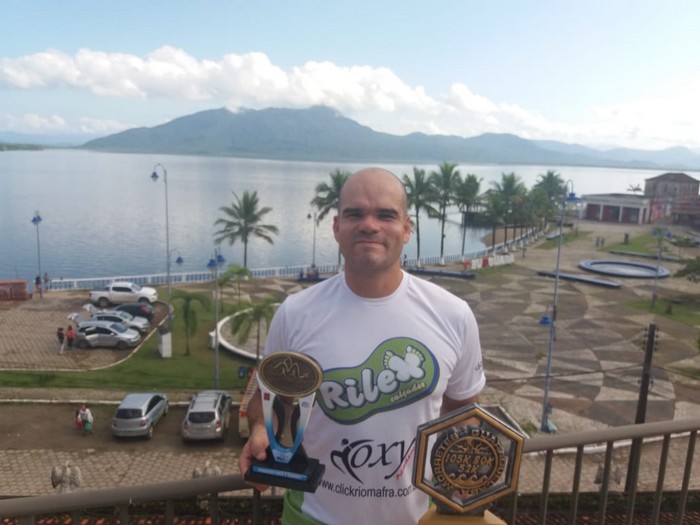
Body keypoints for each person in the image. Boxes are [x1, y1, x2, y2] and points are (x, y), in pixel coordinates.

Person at [239, 168, 485, 525]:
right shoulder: (296, 314)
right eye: (355, 214)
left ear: (407, 229)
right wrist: (260, 431)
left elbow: (462, 409)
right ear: (337, 227)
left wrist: (465, 471)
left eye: (386, 215)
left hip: (418, 519)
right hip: (312, 517)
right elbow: (271, 398)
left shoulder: (453, 315)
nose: (369, 225)